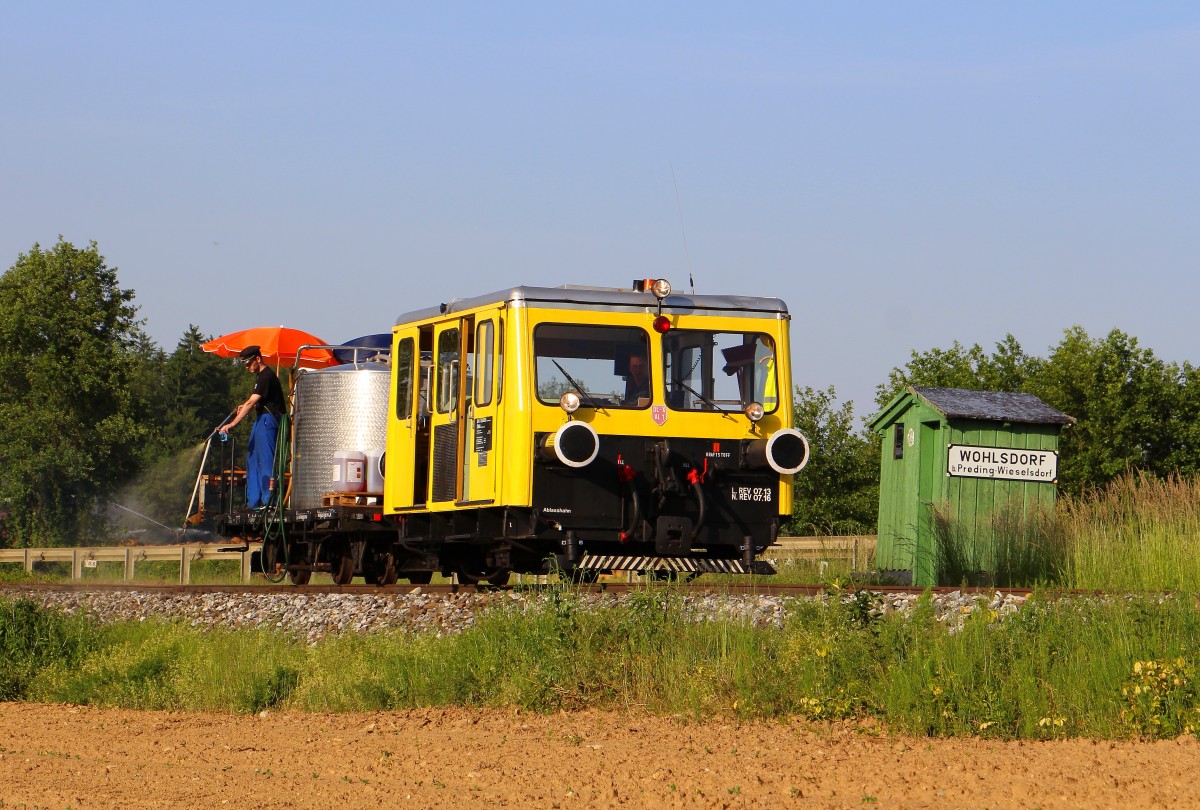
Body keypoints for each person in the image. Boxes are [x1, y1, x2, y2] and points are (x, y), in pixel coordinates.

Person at [219, 345, 286, 510]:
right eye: (244, 365)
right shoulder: (259, 377)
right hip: (260, 419)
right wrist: (246, 406)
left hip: (268, 421)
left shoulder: (266, 376)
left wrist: (233, 423)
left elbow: (251, 402)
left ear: (257, 359)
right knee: (251, 458)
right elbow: (256, 402)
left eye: (248, 363)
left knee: (265, 460)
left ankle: (268, 501)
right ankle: (253, 502)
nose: (247, 367)